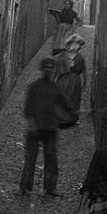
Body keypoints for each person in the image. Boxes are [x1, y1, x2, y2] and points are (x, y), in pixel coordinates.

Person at [15, 57, 78, 198]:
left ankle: (50, 188)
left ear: (54, 69)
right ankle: (23, 187)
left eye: (51, 67)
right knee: (30, 159)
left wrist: (76, 111)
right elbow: (28, 107)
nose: (49, 70)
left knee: (51, 159)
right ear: (42, 69)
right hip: (35, 129)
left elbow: (64, 103)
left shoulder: (55, 88)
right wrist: (31, 123)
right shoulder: (34, 86)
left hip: (50, 129)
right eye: (46, 67)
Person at [55, 33, 87, 125]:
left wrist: (84, 83)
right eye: (73, 44)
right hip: (63, 79)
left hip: (74, 80)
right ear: (69, 44)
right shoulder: (62, 55)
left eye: (77, 44)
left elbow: (84, 71)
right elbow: (57, 68)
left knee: (73, 98)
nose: (75, 46)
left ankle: (72, 119)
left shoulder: (80, 57)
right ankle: (59, 118)